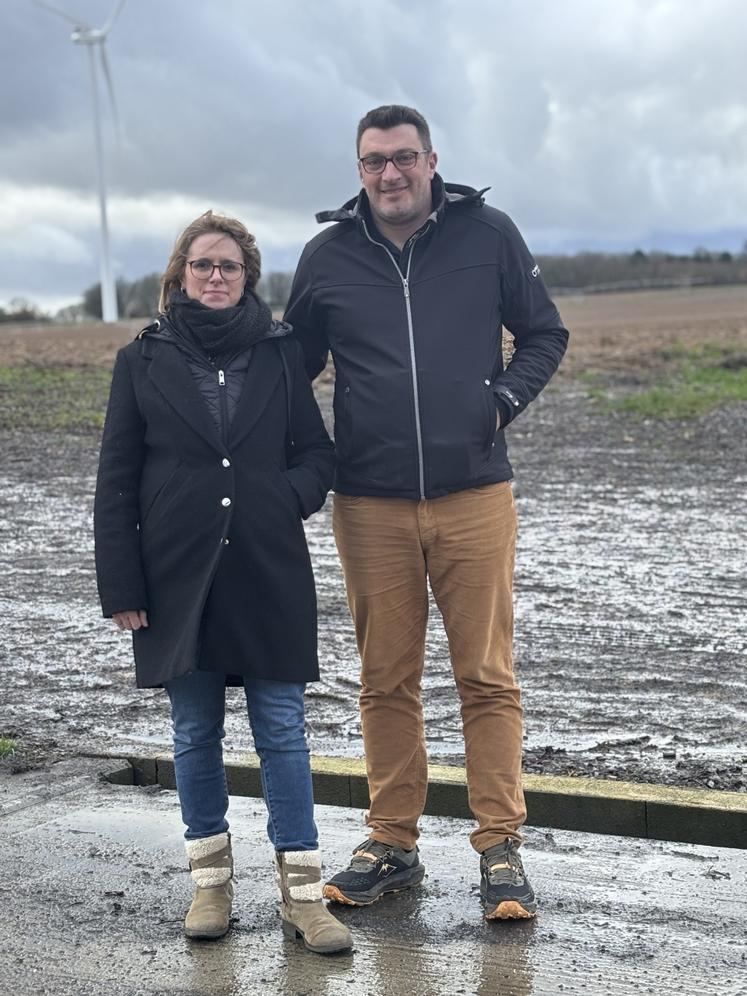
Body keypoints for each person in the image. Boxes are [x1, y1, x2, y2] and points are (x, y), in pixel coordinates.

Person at [284, 105, 569, 920]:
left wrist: (501, 402)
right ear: (359, 168)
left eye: (404, 158)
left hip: (475, 493)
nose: (389, 175)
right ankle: (391, 842)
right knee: (385, 680)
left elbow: (544, 334)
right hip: (369, 503)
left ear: (431, 160)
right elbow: (292, 371)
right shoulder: (327, 258)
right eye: (374, 161)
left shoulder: (488, 237)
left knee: (485, 675)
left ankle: (500, 848)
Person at [94, 210, 352, 954]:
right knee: (193, 733)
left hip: (268, 568)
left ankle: (304, 898)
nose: (216, 276)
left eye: (230, 266)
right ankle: (210, 887)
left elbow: (316, 453)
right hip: (177, 577)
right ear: (179, 275)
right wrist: (122, 586)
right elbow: (116, 482)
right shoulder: (139, 360)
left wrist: (285, 497)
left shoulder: (280, 354)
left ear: (248, 278)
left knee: (282, 732)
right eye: (203, 265)